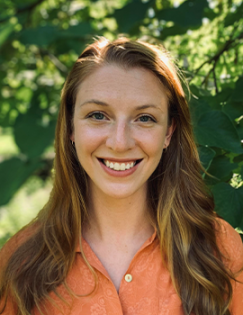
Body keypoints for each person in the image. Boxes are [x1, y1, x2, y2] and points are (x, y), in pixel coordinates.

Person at [0, 37, 243, 315]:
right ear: (70, 128)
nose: (120, 142)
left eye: (144, 118)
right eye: (98, 115)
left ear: (168, 132)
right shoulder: (20, 263)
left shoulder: (219, 249)